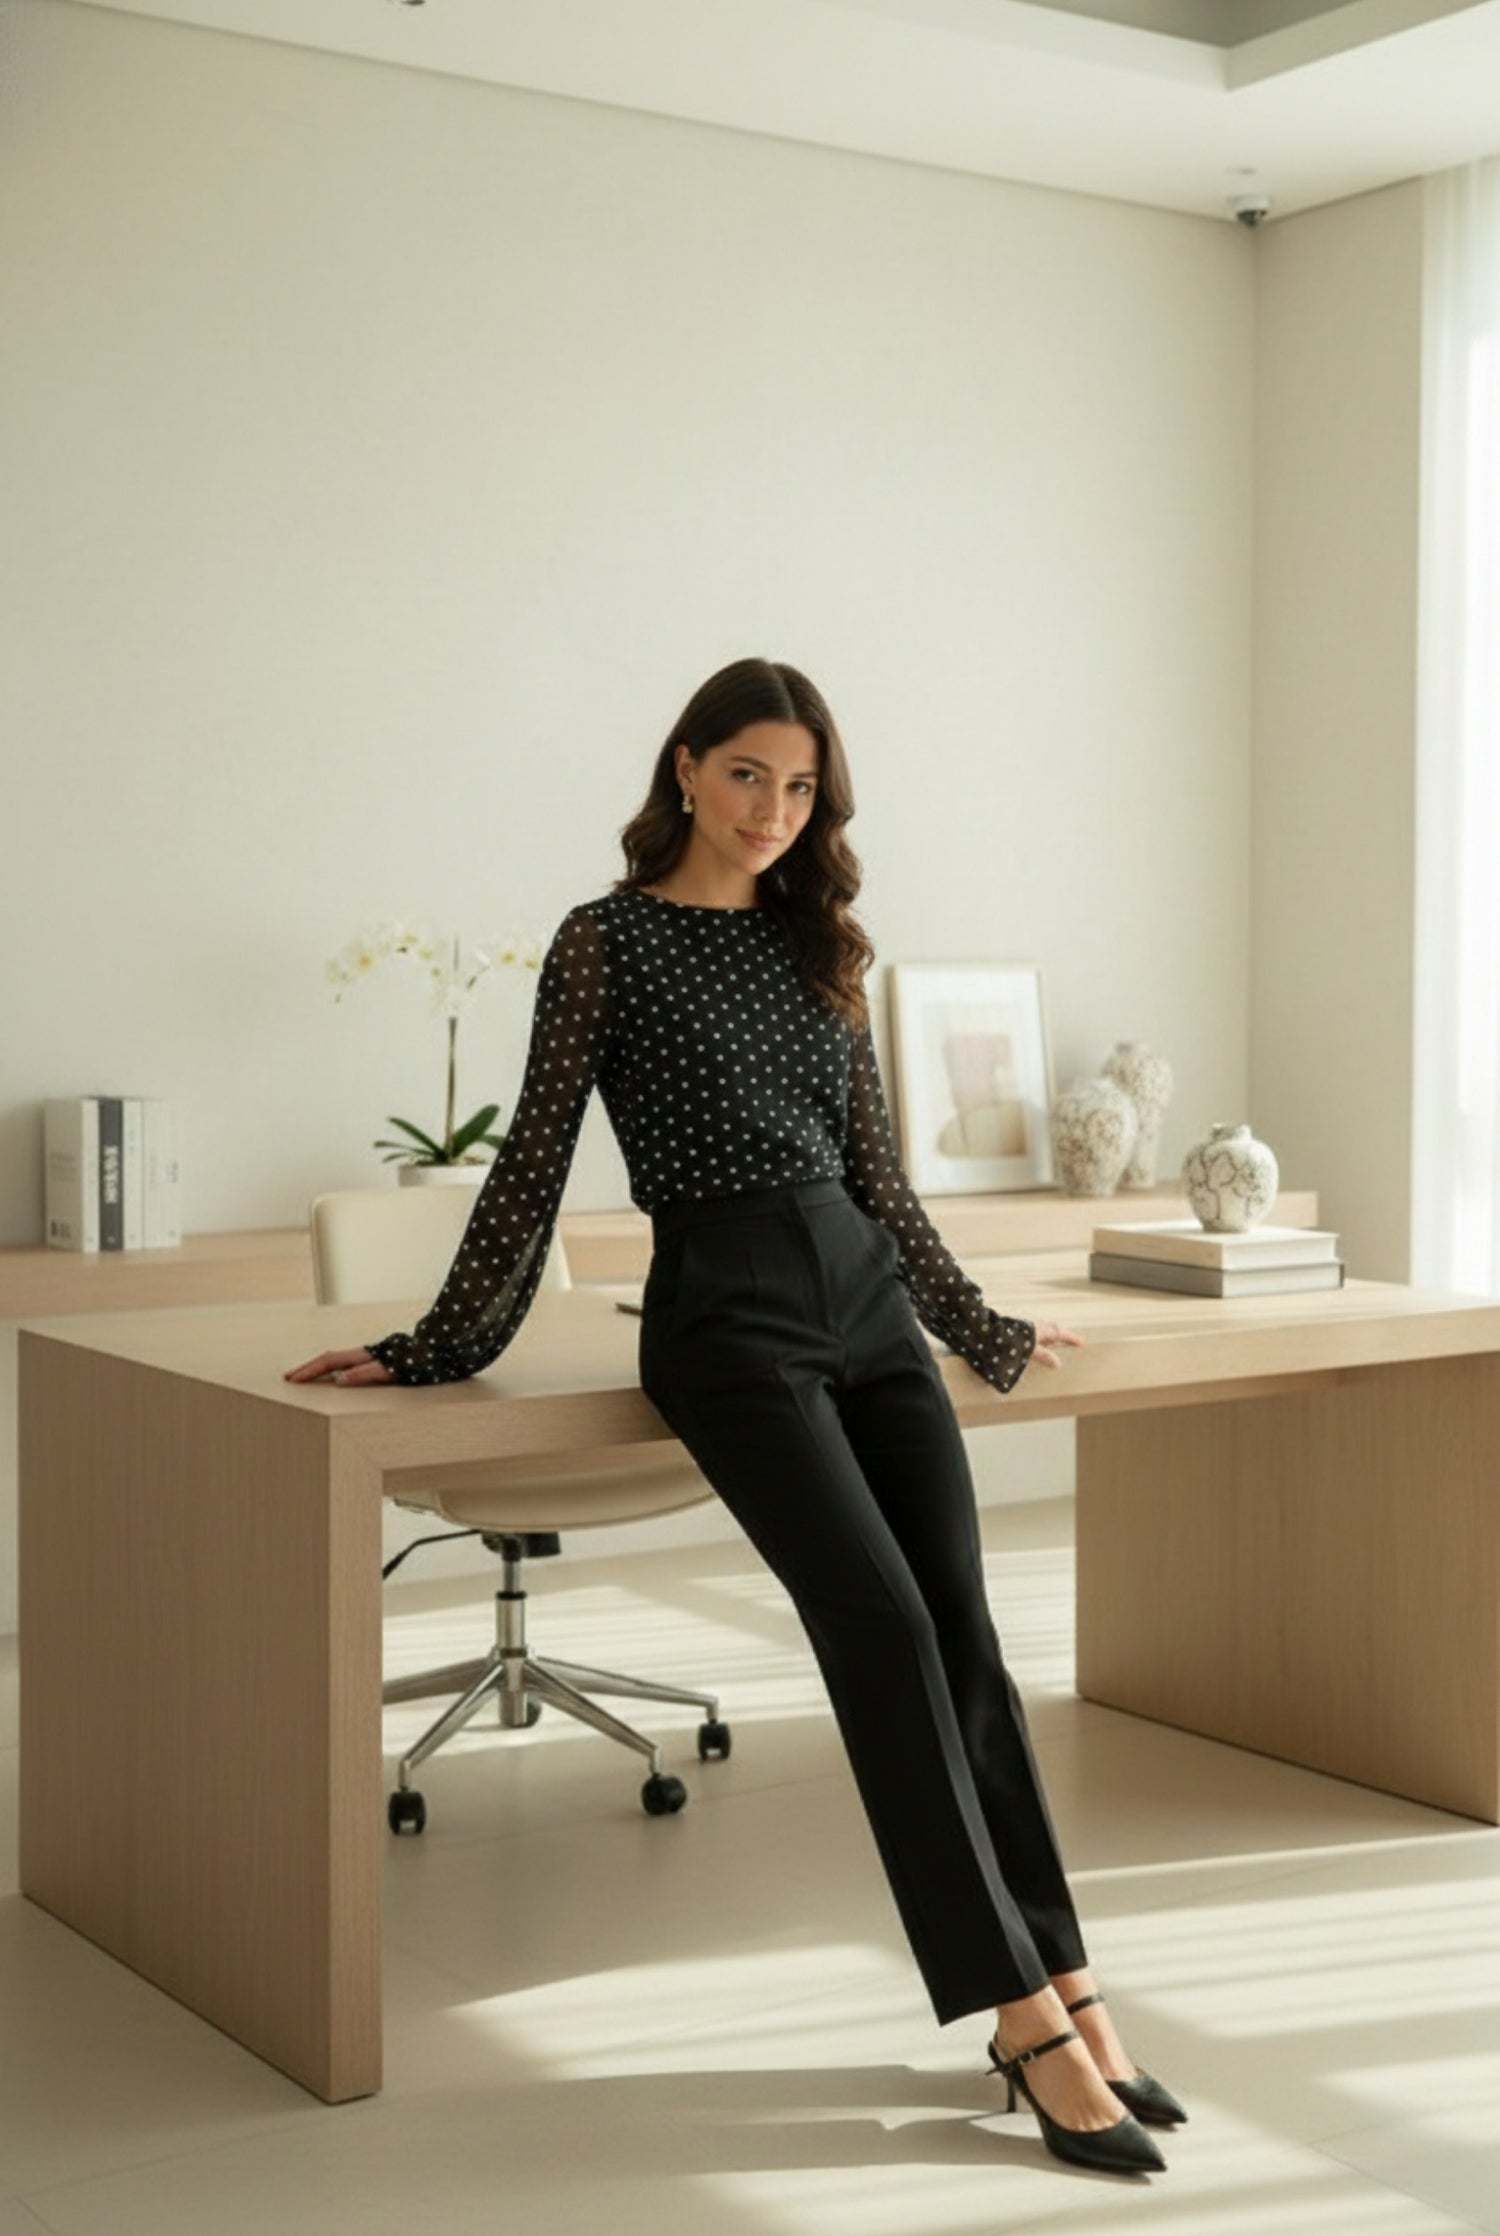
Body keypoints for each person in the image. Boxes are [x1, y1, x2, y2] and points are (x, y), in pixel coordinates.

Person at [286, 656, 1186, 2177]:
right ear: (688, 771)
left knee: (964, 1630)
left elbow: (882, 1181)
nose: (777, 809)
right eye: (750, 774)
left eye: (803, 783)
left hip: (866, 1302)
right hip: (730, 1321)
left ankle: (1071, 1978)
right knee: (884, 1631)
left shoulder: (823, 947)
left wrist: (982, 1327)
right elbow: (535, 1160)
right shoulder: (607, 944)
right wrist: (436, 1343)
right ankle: (1018, 2019)